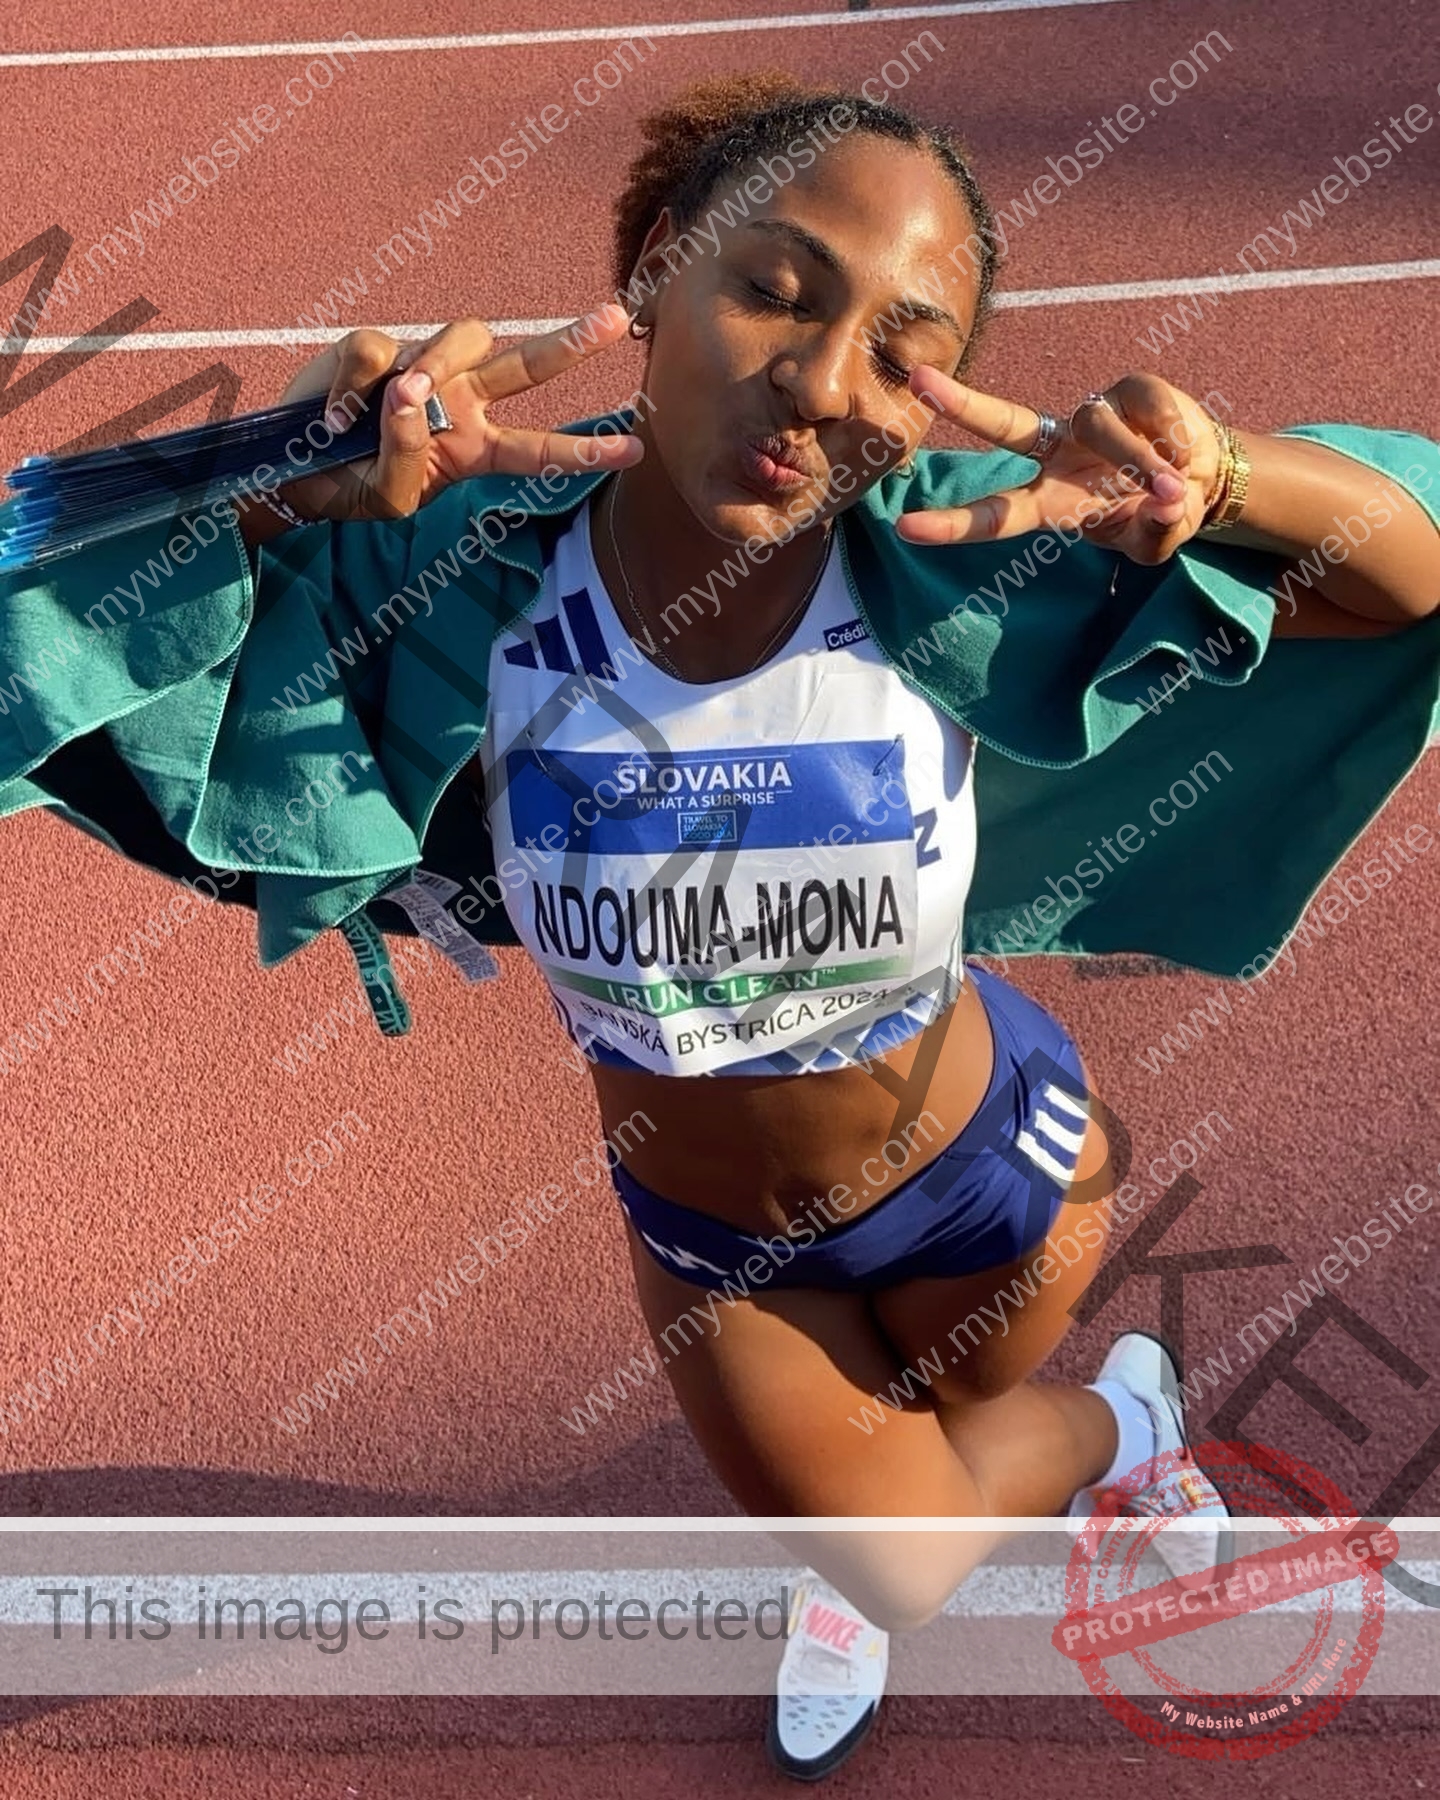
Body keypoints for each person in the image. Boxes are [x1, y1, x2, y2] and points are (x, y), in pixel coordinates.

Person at [4, 71, 1439, 1782]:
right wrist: (255, 484)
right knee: (893, 1557)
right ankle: (1101, 1431)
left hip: (994, 1156)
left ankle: (1103, 1424)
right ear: (660, 270)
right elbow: (50, 664)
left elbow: (1401, 573)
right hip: (713, 1244)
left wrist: (1223, 479)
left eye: (905, 350)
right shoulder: (457, 567)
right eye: (775, 287)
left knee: (975, 1431)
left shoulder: (962, 551)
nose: (824, 382)